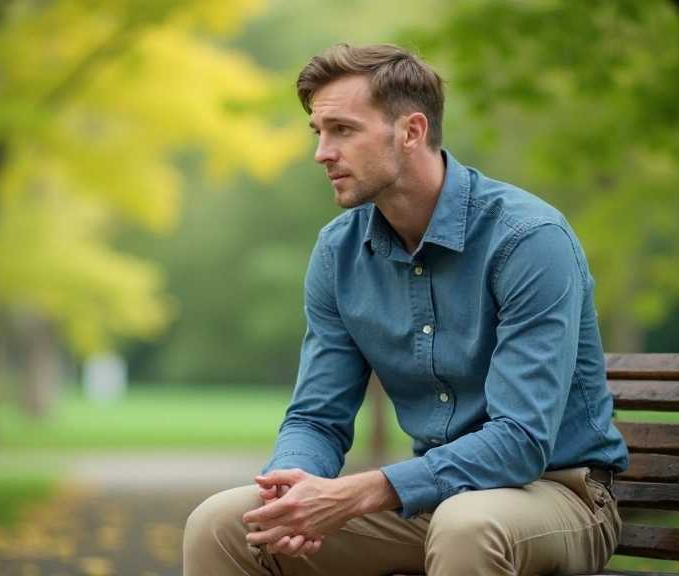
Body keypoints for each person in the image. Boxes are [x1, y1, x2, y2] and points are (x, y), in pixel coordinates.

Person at [183, 43, 628, 576]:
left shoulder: (528, 240)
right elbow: (316, 417)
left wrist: (360, 491)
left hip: (556, 495)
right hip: (430, 500)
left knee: (467, 525)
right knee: (222, 523)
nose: (322, 152)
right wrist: (291, 485)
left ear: (411, 132)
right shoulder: (339, 253)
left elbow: (521, 441)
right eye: (318, 132)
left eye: (342, 130)